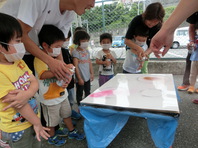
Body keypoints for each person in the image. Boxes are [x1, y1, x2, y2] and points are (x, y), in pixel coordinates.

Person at [0, 0, 95, 109]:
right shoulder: (40, 1)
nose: (93, 5)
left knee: (32, 97)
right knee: (17, 97)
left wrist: (63, 69)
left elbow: (58, 44)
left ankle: (41, 123)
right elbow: (21, 36)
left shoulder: (70, 13)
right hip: (11, 51)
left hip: (32, 48)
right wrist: (51, 61)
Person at [0, 13, 49, 148]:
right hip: (16, 129)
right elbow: (18, 104)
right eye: (17, 41)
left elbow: (34, 81)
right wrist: (37, 123)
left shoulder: (18, 61)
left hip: (32, 120)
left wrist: (26, 94)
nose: (22, 45)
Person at [34, 25, 85, 146]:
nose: (59, 49)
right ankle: (52, 136)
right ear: (45, 45)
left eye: (60, 46)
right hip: (49, 98)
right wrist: (59, 71)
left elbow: (64, 67)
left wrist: (68, 68)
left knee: (67, 114)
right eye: (57, 46)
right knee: (51, 120)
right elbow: (42, 75)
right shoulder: (40, 59)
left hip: (62, 94)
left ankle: (71, 130)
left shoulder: (55, 56)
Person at [125, 2, 165, 74]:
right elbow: (127, 40)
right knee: (130, 68)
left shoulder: (158, 26)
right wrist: (138, 48)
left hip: (147, 49)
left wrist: (145, 53)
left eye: (155, 22)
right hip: (132, 48)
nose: (152, 24)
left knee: (142, 69)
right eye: (150, 22)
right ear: (145, 16)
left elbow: (153, 45)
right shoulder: (137, 20)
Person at [61, 30, 81, 120]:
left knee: (71, 98)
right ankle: (67, 115)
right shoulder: (58, 52)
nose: (67, 40)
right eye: (65, 39)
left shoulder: (66, 50)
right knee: (66, 99)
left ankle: (70, 112)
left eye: (68, 38)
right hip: (64, 80)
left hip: (71, 79)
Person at [72, 30, 94, 105]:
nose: (86, 42)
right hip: (80, 78)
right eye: (83, 41)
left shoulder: (87, 51)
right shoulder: (75, 52)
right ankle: (80, 106)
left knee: (88, 91)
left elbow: (89, 62)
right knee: (79, 93)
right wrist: (79, 78)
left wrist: (91, 73)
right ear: (77, 41)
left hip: (87, 77)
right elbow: (76, 66)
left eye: (87, 41)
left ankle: (88, 105)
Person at [177, 12, 198, 91]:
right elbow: (192, 27)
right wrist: (192, 41)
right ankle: (187, 83)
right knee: (190, 59)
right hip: (196, 40)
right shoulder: (195, 8)